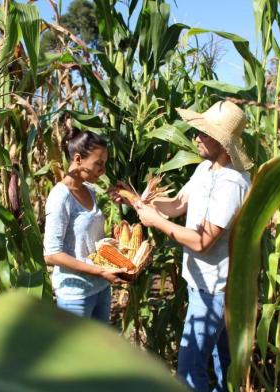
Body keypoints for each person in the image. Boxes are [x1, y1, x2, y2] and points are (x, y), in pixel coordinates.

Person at [133, 101, 252, 391]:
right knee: (222, 362)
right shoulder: (204, 169)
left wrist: (156, 222)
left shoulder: (231, 183)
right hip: (199, 282)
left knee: (188, 370)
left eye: (204, 133)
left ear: (224, 143)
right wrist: (139, 200)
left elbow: (202, 241)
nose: (196, 137)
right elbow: (176, 205)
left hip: (215, 289)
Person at [43, 127, 127, 322]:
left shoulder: (90, 190)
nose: (103, 170)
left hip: (101, 288)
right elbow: (51, 255)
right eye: (98, 163)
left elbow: (89, 240)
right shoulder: (60, 198)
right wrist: (100, 271)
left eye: (104, 163)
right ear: (78, 159)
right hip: (76, 295)